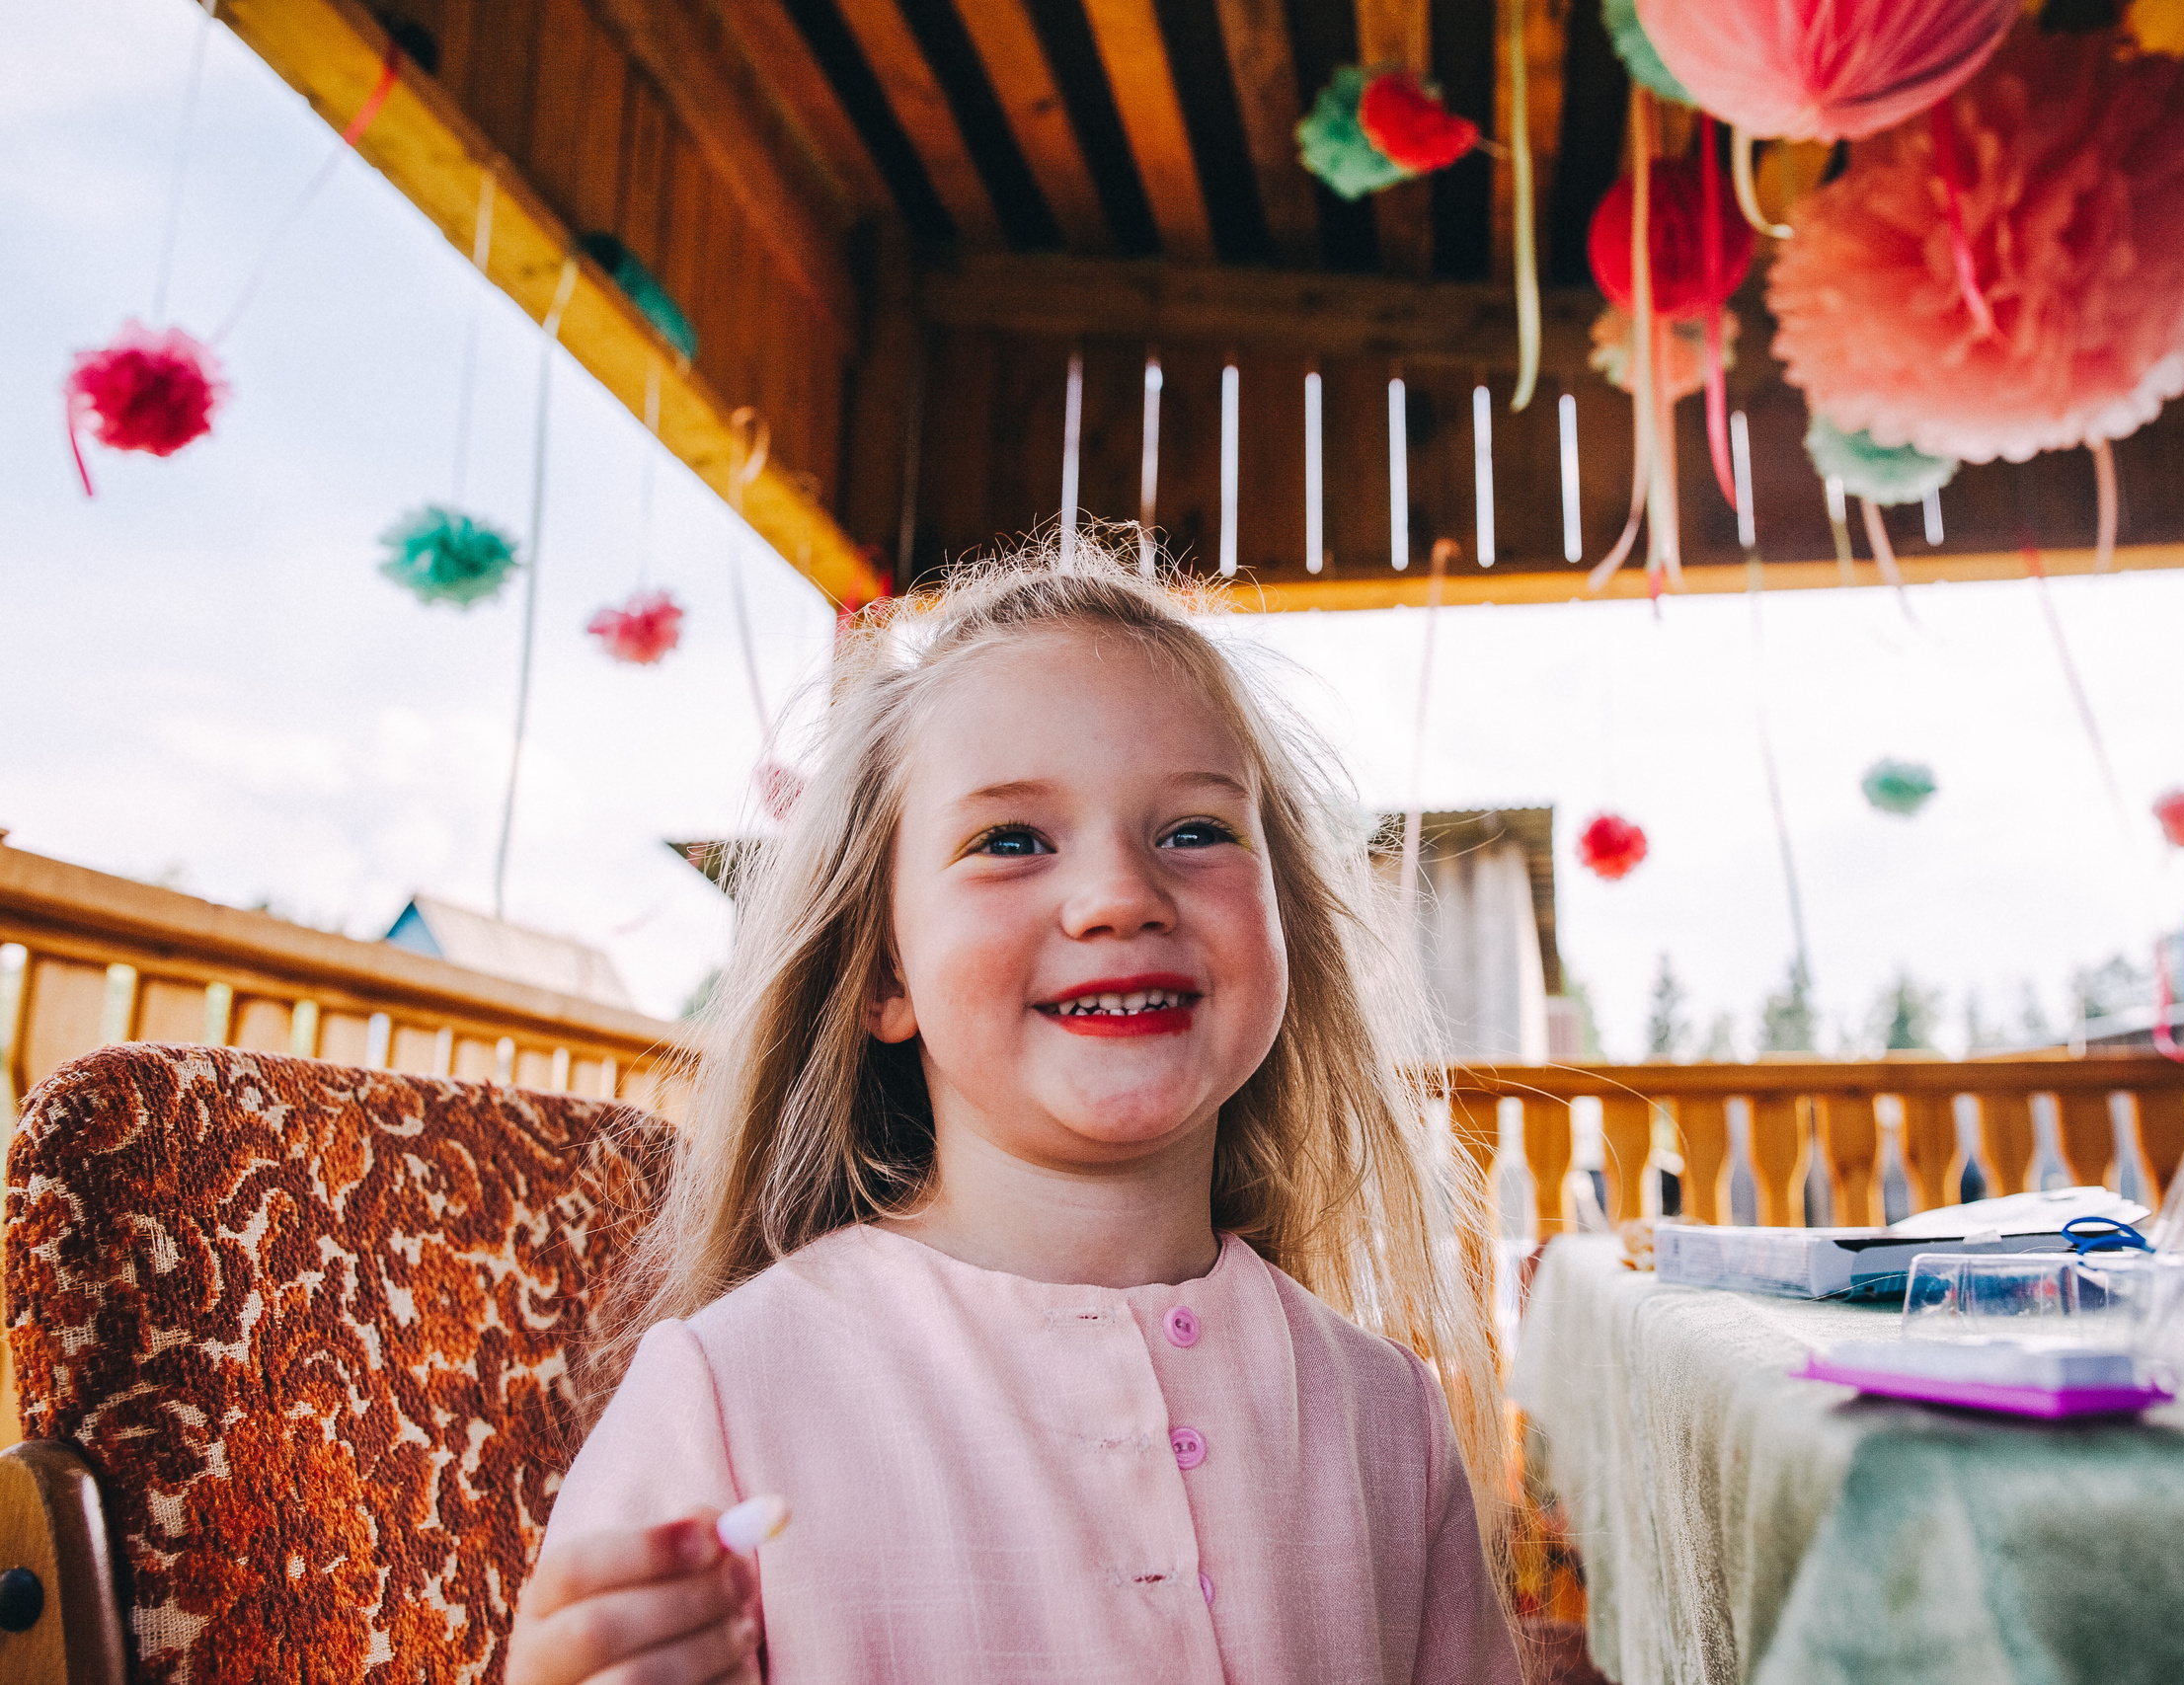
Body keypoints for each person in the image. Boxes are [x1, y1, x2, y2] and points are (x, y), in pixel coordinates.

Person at [507, 538, 1516, 1685]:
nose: (1119, 896)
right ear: (884, 975)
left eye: (1193, 830)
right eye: (1010, 841)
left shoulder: (1388, 1419)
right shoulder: (726, 1394)